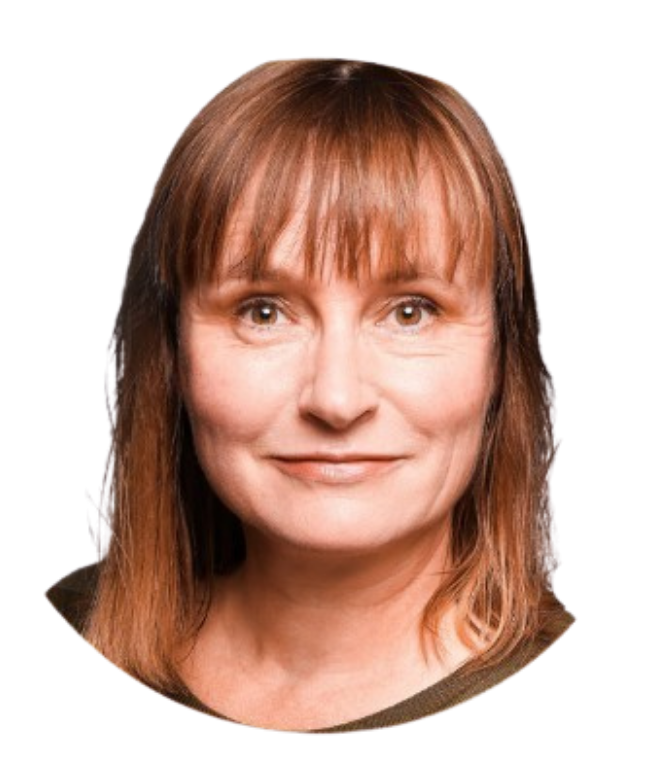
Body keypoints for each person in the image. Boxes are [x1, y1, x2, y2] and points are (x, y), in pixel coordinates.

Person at [46, 58, 573, 732]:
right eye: (263, 312)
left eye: (410, 312)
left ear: (501, 356)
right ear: (172, 353)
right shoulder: (57, 641)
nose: (336, 399)